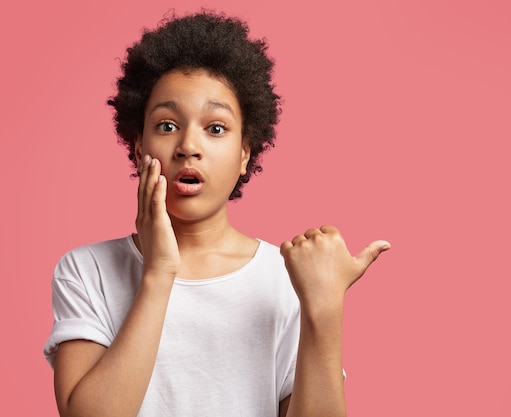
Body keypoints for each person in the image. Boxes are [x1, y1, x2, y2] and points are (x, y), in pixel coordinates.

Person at [44, 10, 390, 417]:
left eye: (216, 128)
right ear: (139, 147)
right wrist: (159, 272)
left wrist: (325, 308)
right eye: (168, 125)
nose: (189, 145)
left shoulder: (286, 278)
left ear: (245, 153)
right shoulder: (88, 271)